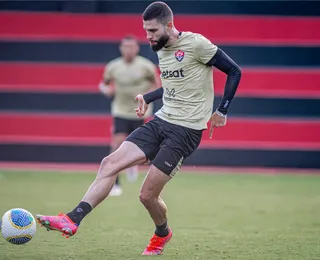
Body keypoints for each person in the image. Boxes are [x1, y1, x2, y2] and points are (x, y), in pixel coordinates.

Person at [36, 1, 241, 256]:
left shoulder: (196, 44)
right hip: (162, 121)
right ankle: (72, 219)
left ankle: (162, 234)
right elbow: (173, 85)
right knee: (109, 163)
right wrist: (149, 97)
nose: (148, 37)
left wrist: (222, 110)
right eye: (146, 30)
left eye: (153, 31)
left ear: (169, 26)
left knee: (146, 196)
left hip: (186, 131)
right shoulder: (161, 49)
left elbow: (234, 70)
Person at [98, 35, 158, 196]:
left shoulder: (146, 66)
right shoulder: (113, 67)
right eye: (125, 47)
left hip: (140, 111)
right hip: (121, 110)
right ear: (121, 48)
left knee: (141, 147)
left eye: (131, 47)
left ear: (137, 48)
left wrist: (146, 96)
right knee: (116, 145)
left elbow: (157, 85)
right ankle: (115, 183)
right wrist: (107, 90)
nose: (128, 50)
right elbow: (104, 84)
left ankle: (133, 165)